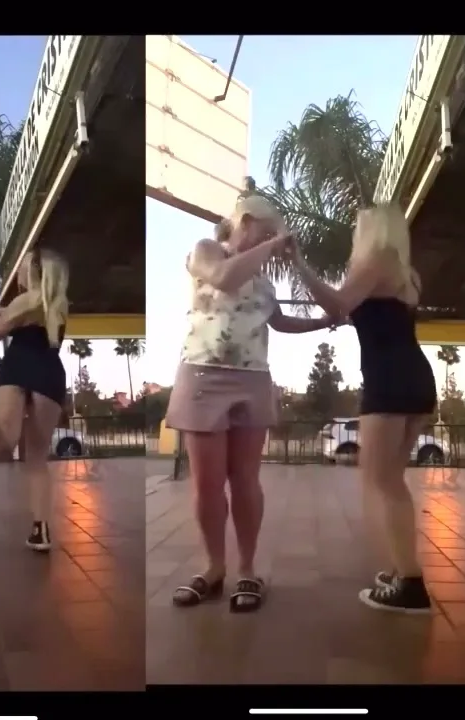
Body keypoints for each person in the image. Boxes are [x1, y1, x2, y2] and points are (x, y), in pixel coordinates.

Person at [165, 195, 339, 613]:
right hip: (203, 376)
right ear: (245, 222)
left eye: (274, 236)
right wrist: (274, 243)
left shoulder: (263, 282)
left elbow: (278, 322)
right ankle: (213, 567)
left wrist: (322, 322)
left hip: (253, 379)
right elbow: (224, 278)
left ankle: (247, 569)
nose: (272, 243)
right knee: (207, 483)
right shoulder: (207, 251)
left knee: (245, 479)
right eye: (266, 232)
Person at [288, 205, 438, 613]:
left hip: (389, 381)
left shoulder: (377, 259)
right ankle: (400, 571)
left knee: (381, 483)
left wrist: (299, 263)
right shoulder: (404, 273)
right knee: (390, 481)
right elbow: (360, 316)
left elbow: (338, 305)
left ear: (371, 230)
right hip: (413, 378)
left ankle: (410, 585)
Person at [0, 249, 70, 552]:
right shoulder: (57, 304)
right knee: (37, 460)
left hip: (17, 367)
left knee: (3, 447)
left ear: (33, 271)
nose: (18, 270)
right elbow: (14, 317)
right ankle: (41, 531)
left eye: (23, 264)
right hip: (50, 374)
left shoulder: (25, 300)